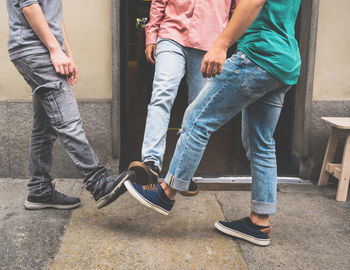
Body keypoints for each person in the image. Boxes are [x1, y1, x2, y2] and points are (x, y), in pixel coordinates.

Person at [124, 0, 301, 246]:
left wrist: (221, 44)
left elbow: (254, 2)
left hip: (258, 55)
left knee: (197, 119)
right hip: (285, 61)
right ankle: (259, 222)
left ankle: (166, 193)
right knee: (261, 142)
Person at [6, 0, 135, 210]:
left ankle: (39, 190)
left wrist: (67, 54)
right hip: (36, 49)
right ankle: (98, 181)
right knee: (68, 120)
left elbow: (54, 16)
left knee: (44, 127)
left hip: (42, 50)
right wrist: (55, 49)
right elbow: (29, 6)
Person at [128, 0, 237, 196]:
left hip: (210, 43)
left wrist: (225, 44)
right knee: (162, 94)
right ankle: (151, 164)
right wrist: (151, 36)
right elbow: (159, 2)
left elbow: (238, 10)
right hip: (172, 36)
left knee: (197, 111)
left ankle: (181, 174)